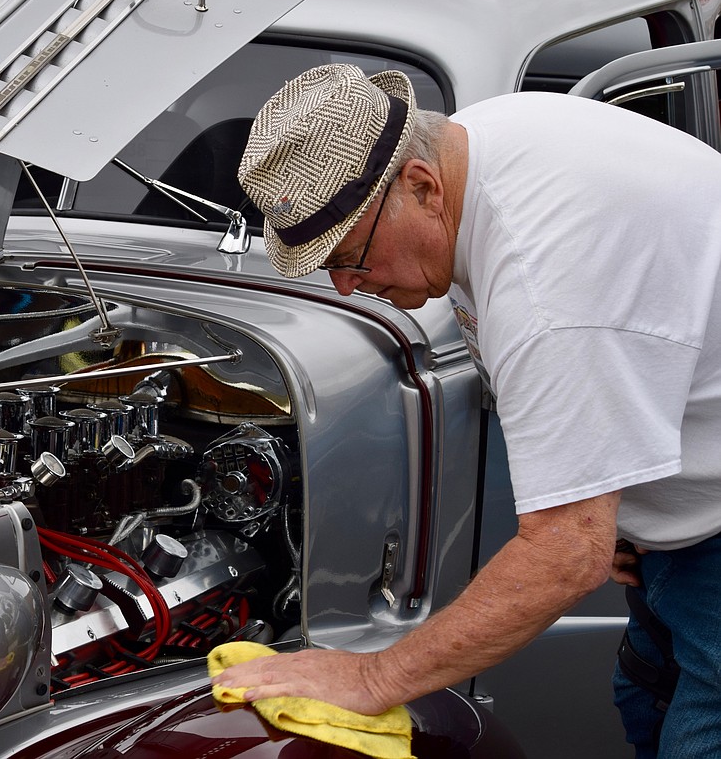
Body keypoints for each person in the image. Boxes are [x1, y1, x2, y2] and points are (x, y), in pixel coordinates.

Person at [213, 63, 721, 758]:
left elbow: (566, 552)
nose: (346, 286)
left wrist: (374, 676)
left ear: (421, 185)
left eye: (351, 255)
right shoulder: (477, 146)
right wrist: (618, 503)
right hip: (685, 536)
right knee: (647, 703)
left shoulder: (548, 282)